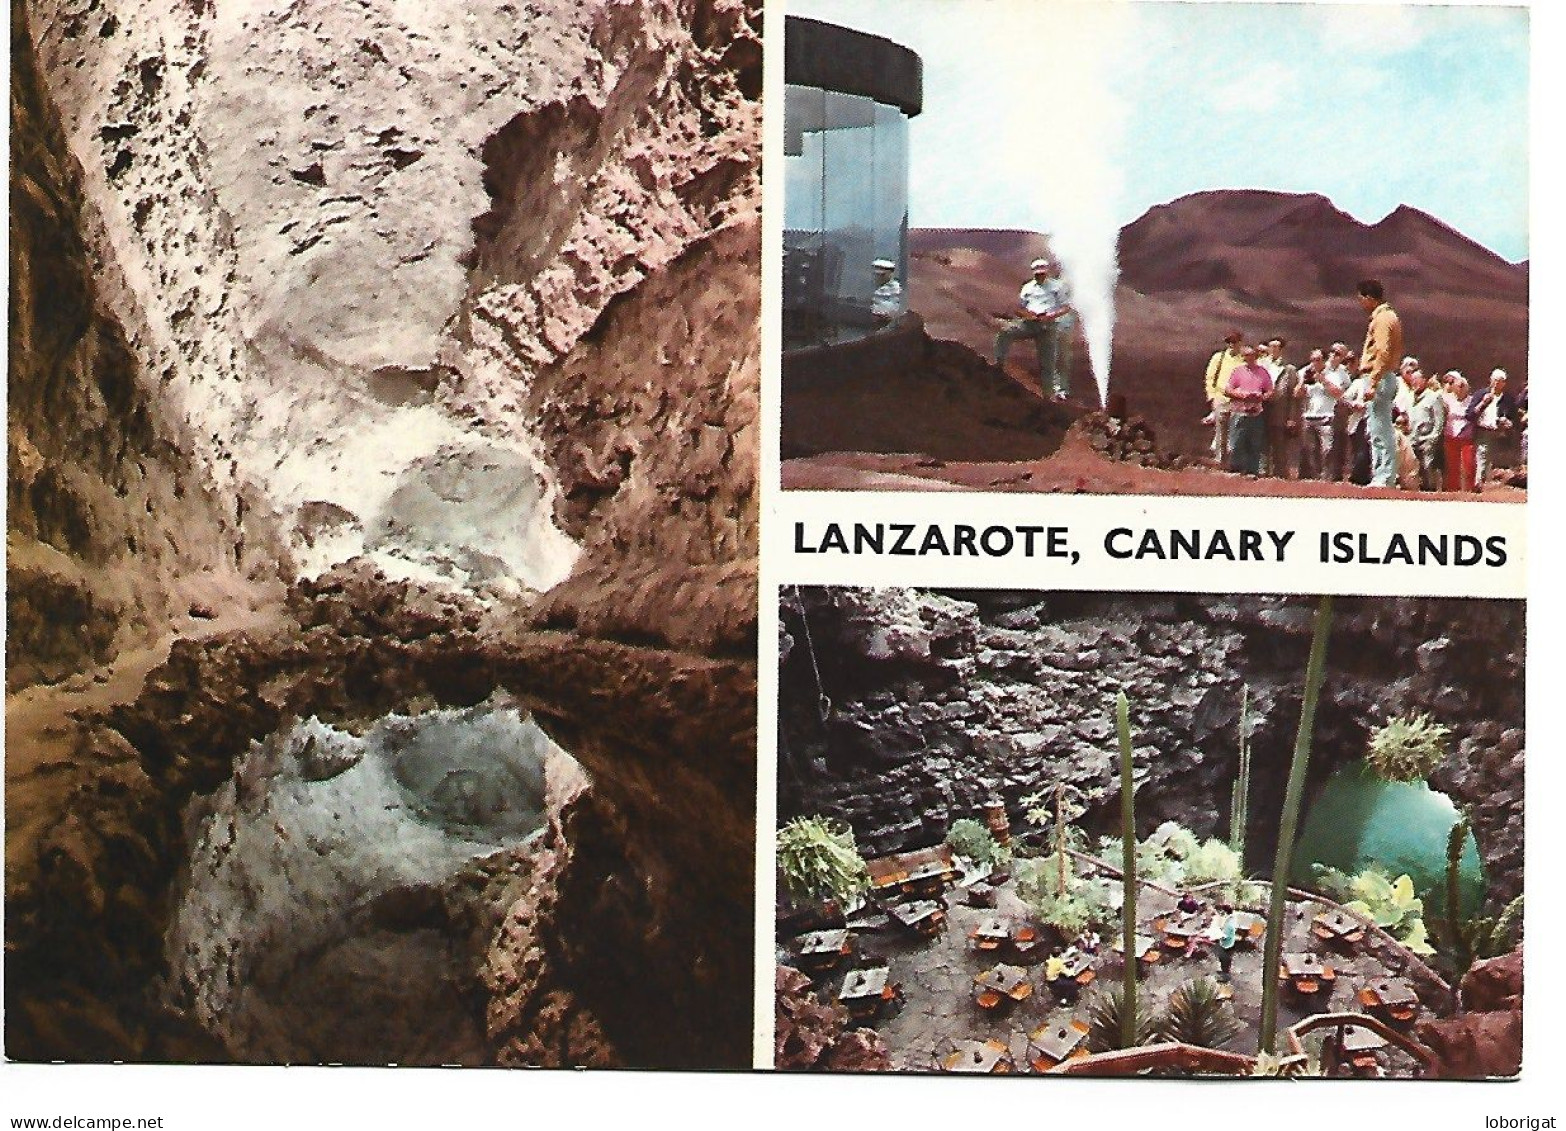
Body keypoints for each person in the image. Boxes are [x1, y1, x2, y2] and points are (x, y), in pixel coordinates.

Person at [995, 257, 1076, 401]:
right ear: (1033, 272)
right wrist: (1028, 315)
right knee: (1005, 333)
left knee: (1047, 363)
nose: (1040, 275)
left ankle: (1048, 397)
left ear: (1047, 271)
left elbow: (1066, 307)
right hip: (1029, 323)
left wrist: (1051, 315)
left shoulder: (1056, 287)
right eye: (1037, 273)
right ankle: (998, 365)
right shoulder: (1027, 288)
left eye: (1042, 272)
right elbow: (1019, 308)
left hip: (1048, 326)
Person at [1355, 279, 1404, 488]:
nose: (1360, 303)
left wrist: (1373, 381)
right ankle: (1382, 474)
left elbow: (1383, 352)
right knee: (1378, 427)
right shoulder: (1387, 316)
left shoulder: (1383, 319)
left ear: (1369, 298)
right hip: (1384, 376)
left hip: (1380, 376)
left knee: (1380, 428)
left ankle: (1384, 476)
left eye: (1361, 298)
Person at [1224, 344, 1273, 476]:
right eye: (1246, 355)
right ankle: (1235, 469)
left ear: (1255, 356)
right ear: (1242, 357)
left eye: (1251, 355)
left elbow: (1270, 390)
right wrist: (1242, 395)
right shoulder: (1237, 371)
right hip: (1240, 411)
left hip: (1256, 412)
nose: (1249, 358)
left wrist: (1261, 397)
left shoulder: (1262, 372)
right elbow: (1228, 389)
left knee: (1255, 443)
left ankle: (1252, 471)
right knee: (1236, 441)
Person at [1260, 337, 1304, 478]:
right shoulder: (1261, 366)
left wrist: (1292, 417)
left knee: (1280, 444)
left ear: (1281, 350)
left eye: (1277, 347)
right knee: (1262, 442)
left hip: (1281, 411)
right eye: (1271, 346)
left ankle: (1280, 475)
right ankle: (1263, 472)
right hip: (1262, 409)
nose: (1273, 349)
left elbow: (1293, 396)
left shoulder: (1289, 369)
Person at [1298, 348, 1344, 480]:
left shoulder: (1332, 374)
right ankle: (1313, 477)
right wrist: (1303, 381)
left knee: (1327, 449)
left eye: (1317, 360)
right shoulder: (1305, 372)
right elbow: (1297, 394)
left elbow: (1338, 393)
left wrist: (1322, 380)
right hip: (1309, 416)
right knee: (1309, 449)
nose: (1314, 363)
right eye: (1312, 360)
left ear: (1324, 360)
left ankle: (1327, 477)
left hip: (1326, 416)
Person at [1469, 368, 1518, 489]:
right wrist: (1482, 404)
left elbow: (1515, 419)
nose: (1497, 383)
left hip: (1500, 434)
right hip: (1483, 431)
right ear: (1490, 380)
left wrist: (1509, 423)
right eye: (1495, 380)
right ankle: (1478, 483)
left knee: (1495, 460)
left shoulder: (1508, 399)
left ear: (1504, 383)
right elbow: (1469, 414)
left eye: (1500, 381)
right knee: (1482, 456)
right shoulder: (1480, 394)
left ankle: (1491, 486)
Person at [1203, 331, 1247, 467]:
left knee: (1237, 431)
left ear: (1240, 343)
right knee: (1220, 431)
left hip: (1239, 401)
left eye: (1234, 342)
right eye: (1229, 342)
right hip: (1221, 399)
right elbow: (1210, 377)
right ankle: (1220, 462)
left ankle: (1235, 463)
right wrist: (1212, 396)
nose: (1231, 345)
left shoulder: (1243, 359)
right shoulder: (1219, 357)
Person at [1406, 366, 1447, 490]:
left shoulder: (1434, 397)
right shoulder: (1410, 397)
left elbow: (1439, 421)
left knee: (1427, 467)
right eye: (1412, 380)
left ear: (1424, 380)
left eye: (1417, 379)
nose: (1414, 383)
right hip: (1413, 438)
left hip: (1427, 439)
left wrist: (1433, 439)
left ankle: (1430, 492)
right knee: (1414, 469)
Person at [1442, 372, 1478, 492]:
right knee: (1452, 466)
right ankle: (1452, 490)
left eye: (1463, 386)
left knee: (1469, 465)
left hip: (1466, 437)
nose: (1461, 388)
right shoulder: (1448, 400)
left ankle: (1469, 489)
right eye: (1458, 386)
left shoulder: (1472, 401)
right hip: (1450, 436)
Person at [870, 258, 903, 324]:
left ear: (890, 273)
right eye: (877, 274)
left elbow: (890, 310)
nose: (878, 277)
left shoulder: (895, 288)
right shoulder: (873, 285)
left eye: (882, 275)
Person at [1210, 903, 1238, 983]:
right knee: (1225, 961)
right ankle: (1224, 973)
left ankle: (1225, 978)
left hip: (1226, 945)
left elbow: (1224, 935)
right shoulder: (1231, 918)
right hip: (1229, 943)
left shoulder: (1229, 924)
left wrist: (1215, 935)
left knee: (1225, 961)